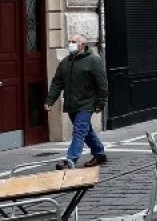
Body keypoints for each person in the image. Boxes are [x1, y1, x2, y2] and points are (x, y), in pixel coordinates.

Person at [45, 33, 109, 168]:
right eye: (69, 41)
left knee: (79, 131)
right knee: (86, 131)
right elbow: (57, 83)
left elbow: (102, 84)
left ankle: (71, 160)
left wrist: (100, 103)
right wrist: (50, 101)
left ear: (82, 46)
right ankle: (99, 154)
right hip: (71, 104)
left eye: (73, 42)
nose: (70, 44)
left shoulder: (93, 60)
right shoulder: (65, 62)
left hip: (86, 104)